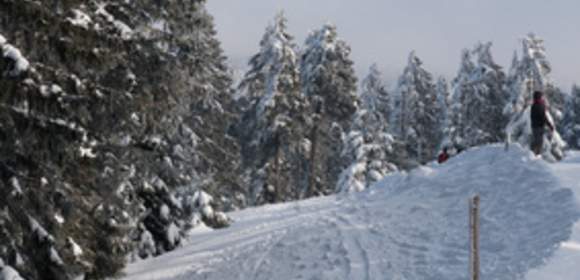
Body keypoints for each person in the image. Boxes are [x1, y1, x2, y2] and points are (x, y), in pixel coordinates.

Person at [530, 91, 554, 155]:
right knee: (538, 143)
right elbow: (543, 117)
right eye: (541, 97)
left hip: (537, 127)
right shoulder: (538, 105)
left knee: (537, 142)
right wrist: (549, 125)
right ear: (539, 97)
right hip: (538, 127)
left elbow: (543, 116)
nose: (542, 98)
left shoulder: (536, 105)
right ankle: (534, 156)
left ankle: (533, 155)